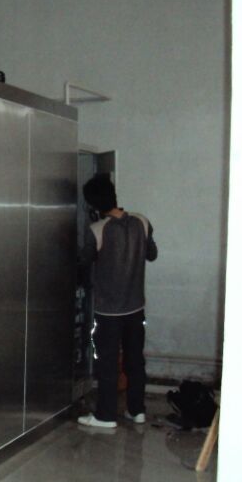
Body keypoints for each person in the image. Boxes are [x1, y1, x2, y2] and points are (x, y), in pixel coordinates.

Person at [77, 174, 158, 429]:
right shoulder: (142, 222)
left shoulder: (97, 230)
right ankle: (137, 410)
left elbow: (83, 263)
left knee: (108, 363)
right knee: (135, 361)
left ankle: (106, 416)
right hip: (136, 307)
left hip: (108, 312)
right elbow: (152, 255)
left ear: (93, 205)